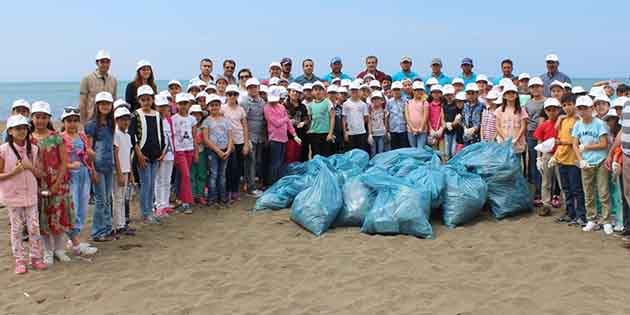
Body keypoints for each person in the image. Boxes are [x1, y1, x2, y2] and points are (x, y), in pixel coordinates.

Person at [0, 115, 48, 274]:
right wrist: (14, 172)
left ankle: (35, 257)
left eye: (24, 128)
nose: (21, 131)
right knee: (17, 228)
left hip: (31, 194)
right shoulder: (4, 150)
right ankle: (19, 260)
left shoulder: (33, 149)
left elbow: (40, 173)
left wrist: (29, 167)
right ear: (10, 131)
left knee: (34, 227)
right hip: (13, 195)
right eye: (17, 128)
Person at [30, 101, 74, 264]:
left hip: (58, 183)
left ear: (48, 118)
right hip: (38, 184)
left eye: (44, 117)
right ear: (32, 118)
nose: (40, 120)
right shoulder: (29, 139)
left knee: (59, 216)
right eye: (37, 117)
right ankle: (48, 251)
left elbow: (64, 162)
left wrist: (58, 182)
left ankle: (60, 250)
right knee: (43, 219)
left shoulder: (56, 137)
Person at [61, 107, 102, 250]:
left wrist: (93, 169)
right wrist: (70, 165)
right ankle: (74, 240)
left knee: (83, 208)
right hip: (70, 176)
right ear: (63, 122)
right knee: (73, 207)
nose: (72, 124)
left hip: (85, 174)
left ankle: (74, 238)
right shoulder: (60, 138)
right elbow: (58, 161)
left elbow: (88, 156)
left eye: (75, 121)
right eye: (69, 121)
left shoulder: (82, 136)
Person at [572, 96, 611, 234]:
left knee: (603, 192)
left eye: (585, 108)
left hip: (600, 161)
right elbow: (575, 144)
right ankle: (591, 219)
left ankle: (606, 220)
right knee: (588, 192)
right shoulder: (578, 124)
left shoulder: (599, 124)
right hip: (586, 163)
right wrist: (580, 159)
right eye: (580, 108)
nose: (582, 111)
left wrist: (588, 147)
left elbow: (604, 144)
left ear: (591, 109)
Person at [128, 85, 166, 225]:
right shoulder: (135, 115)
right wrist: (138, 155)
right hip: (142, 156)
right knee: (146, 184)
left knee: (151, 184)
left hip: (156, 155)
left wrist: (162, 152)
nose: (146, 102)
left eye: (148, 99)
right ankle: (145, 213)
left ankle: (150, 211)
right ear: (139, 100)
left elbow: (160, 134)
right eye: (143, 99)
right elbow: (133, 137)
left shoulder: (157, 115)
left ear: (152, 99)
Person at [85, 91, 116, 242]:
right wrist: (92, 170)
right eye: (102, 104)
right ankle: (97, 231)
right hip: (98, 167)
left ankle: (108, 228)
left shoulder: (111, 124)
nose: (105, 106)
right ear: (97, 106)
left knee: (108, 199)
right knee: (100, 200)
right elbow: (89, 150)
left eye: (108, 104)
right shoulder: (92, 125)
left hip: (109, 165)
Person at [552, 94, 586, 226]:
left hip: (574, 160)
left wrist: (561, 142)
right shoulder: (564, 120)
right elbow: (558, 134)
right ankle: (569, 213)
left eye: (570, 104)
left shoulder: (579, 120)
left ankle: (581, 215)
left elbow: (575, 141)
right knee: (566, 189)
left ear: (575, 105)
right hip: (562, 159)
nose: (567, 107)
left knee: (576, 189)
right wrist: (556, 156)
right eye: (564, 105)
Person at [202, 95, 233, 207]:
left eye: (216, 105)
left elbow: (230, 136)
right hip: (212, 151)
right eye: (212, 105)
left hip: (225, 150)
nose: (214, 107)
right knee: (213, 174)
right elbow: (206, 139)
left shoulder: (226, 120)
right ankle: (212, 198)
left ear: (220, 106)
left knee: (222, 174)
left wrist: (228, 149)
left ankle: (222, 197)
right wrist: (217, 150)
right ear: (208, 107)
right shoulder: (207, 121)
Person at [264, 94, 300, 184]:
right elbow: (276, 123)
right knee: (274, 163)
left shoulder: (281, 107)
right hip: (274, 139)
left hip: (284, 138)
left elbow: (288, 124)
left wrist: (294, 135)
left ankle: (278, 182)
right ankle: (272, 183)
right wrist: (286, 118)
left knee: (281, 162)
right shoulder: (267, 108)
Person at [534, 98, 561, 216]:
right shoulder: (543, 125)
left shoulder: (563, 123)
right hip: (547, 153)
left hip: (561, 153)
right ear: (545, 111)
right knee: (546, 181)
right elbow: (540, 141)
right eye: (549, 110)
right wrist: (538, 157)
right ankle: (546, 205)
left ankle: (568, 206)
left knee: (562, 181)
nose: (552, 112)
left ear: (558, 110)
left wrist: (561, 118)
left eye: (554, 109)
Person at [222, 85, 249, 203]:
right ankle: (228, 190)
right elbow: (222, 126)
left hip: (240, 141)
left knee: (238, 168)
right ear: (226, 95)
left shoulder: (241, 109)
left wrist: (246, 144)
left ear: (237, 95)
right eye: (229, 94)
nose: (232, 96)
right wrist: (230, 142)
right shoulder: (222, 108)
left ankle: (235, 190)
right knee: (229, 168)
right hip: (228, 142)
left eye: (234, 94)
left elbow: (245, 126)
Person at [172, 92, 198, 212]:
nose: (183, 106)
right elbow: (171, 137)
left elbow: (194, 136)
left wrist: (196, 151)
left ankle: (180, 199)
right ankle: (187, 202)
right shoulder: (173, 119)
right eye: (180, 103)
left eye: (185, 103)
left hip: (189, 150)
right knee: (186, 175)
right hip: (178, 151)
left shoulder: (192, 119)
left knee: (183, 176)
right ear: (176, 105)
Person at [523, 77, 547, 206]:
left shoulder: (547, 101)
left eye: (538, 86)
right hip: (531, 134)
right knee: (534, 163)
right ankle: (537, 192)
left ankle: (549, 192)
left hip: (546, 134)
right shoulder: (528, 103)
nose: (535, 89)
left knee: (547, 162)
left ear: (542, 87)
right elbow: (526, 119)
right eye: (533, 87)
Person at [112, 106, 134, 236]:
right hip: (118, 171)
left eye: (127, 119)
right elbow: (116, 155)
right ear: (116, 120)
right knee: (118, 198)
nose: (125, 122)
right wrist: (119, 173)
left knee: (122, 197)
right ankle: (118, 225)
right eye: (122, 119)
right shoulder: (116, 134)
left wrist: (130, 173)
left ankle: (122, 223)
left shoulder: (127, 135)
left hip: (126, 170)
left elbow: (128, 155)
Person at [241, 78, 266, 197]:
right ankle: (250, 189)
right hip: (249, 136)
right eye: (250, 87)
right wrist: (246, 139)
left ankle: (250, 184)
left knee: (257, 162)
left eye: (255, 87)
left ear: (258, 88)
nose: (253, 89)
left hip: (260, 136)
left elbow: (263, 119)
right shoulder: (244, 101)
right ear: (247, 89)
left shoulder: (262, 101)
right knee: (250, 162)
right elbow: (243, 120)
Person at [79, 50, 118, 123]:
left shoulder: (113, 80)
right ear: (97, 63)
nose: (105, 64)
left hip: (108, 120)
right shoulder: (87, 79)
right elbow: (82, 103)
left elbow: (114, 100)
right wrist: (82, 123)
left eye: (107, 62)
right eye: (102, 62)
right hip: (91, 119)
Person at [153, 95, 175, 217]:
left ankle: (165, 203)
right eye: (160, 107)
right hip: (160, 156)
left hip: (170, 154)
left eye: (165, 107)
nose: (162, 109)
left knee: (167, 180)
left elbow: (170, 138)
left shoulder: (168, 121)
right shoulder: (156, 121)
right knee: (159, 180)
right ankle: (158, 204)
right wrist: (160, 154)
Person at [495, 84, 528, 160]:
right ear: (504, 96)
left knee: (516, 163)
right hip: (503, 141)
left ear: (516, 95)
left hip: (517, 142)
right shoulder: (499, 110)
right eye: (508, 93)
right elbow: (497, 126)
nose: (511, 95)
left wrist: (516, 139)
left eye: (513, 93)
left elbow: (523, 126)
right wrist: (505, 138)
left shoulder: (521, 110)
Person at [307, 81, 335, 157]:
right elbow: (310, 119)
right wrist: (309, 130)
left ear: (324, 91)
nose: (318, 92)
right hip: (314, 133)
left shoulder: (328, 102)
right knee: (315, 155)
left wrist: (330, 133)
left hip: (325, 133)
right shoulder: (310, 105)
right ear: (312, 92)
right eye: (315, 89)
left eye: (320, 89)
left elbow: (332, 118)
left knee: (326, 155)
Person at [343, 83, 371, 152]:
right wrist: (345, 132)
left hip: (361, 133)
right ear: (349, 91)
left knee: (361, 153)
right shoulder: (345, 104)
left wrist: (359, 125)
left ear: (359, 91)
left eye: (356, 90)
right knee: (351, 153)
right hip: (350, 133)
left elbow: (366, 119)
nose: (354, 92)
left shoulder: (363, 105)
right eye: (352, 90)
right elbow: (344, 119)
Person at [188, 105, 207, 205]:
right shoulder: (187, 125)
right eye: (194, 114)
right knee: (191, 174)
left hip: (202, 152)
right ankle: (193, 195)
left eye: (198, 114)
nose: (196, 116)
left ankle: (200, 194)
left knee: (202, 174)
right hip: (190, 152)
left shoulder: (204, 126)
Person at [286, 83, 309, 163]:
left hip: (301, 135)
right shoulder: (284, 105)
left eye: (297, 92)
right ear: (289, 92)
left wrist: (303, 122)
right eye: (293, 91)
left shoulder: (302, 106)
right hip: (288, 136)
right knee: (290, 157)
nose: (295, 93)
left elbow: (307, 118)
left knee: (301, 157)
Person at [405, 81, 429, 148]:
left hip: (422, 130)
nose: (419, 92)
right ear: (413, 91)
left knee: (420, 149)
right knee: (413, 149)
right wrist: (412, 128)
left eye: (421, 90)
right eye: (417, 90)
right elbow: (407, 116)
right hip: (411, 130)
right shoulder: (408, 102)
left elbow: (425, 116)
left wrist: (421, 128)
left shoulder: (425, 102)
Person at [387, 81, 409, 149]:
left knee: (404, 149)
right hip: (393, 130)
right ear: (392, 91)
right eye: (394, 90)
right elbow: (387, 116)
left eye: (398, 89)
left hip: (403, 129)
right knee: (394, 149)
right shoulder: (389, 102)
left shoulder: (406, 101)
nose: (396, 92)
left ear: (401, 90)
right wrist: (387, 130)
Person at [443, 89, 463, 158]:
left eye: (450, 95)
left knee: (453, 151)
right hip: (446, 131)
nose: (449, 96)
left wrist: (451, 124)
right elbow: (442, 116)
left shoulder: (456, 105)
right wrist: (445, 125)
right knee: (447, 151)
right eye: (447, 95)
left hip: (455, 132)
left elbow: (458, 117)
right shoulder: (444, 105)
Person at [427, 85, 445, 150]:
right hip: (432, 133)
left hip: (442, 134)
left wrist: (441, 129)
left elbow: (444, 119)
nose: (436, 94)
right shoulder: (428, 105)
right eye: (434, 92)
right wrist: (430, 129)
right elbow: (427, 119)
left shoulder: (443, 105)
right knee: (434, 152)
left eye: (438, 92)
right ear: (431, 94)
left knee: (443, 153)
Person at [370, 91, 387, 155]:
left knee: (381, 151)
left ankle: (380, 164)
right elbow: (369, 122)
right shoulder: (370, 110)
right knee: (373, 151)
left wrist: (386, 131)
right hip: (373, 133)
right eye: (374, 99)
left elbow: (385, 121)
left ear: (381, 100)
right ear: (372, 100)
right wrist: (369, 134)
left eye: (378, 98)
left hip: (381, 133)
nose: (376, 100)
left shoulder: (384, 110)